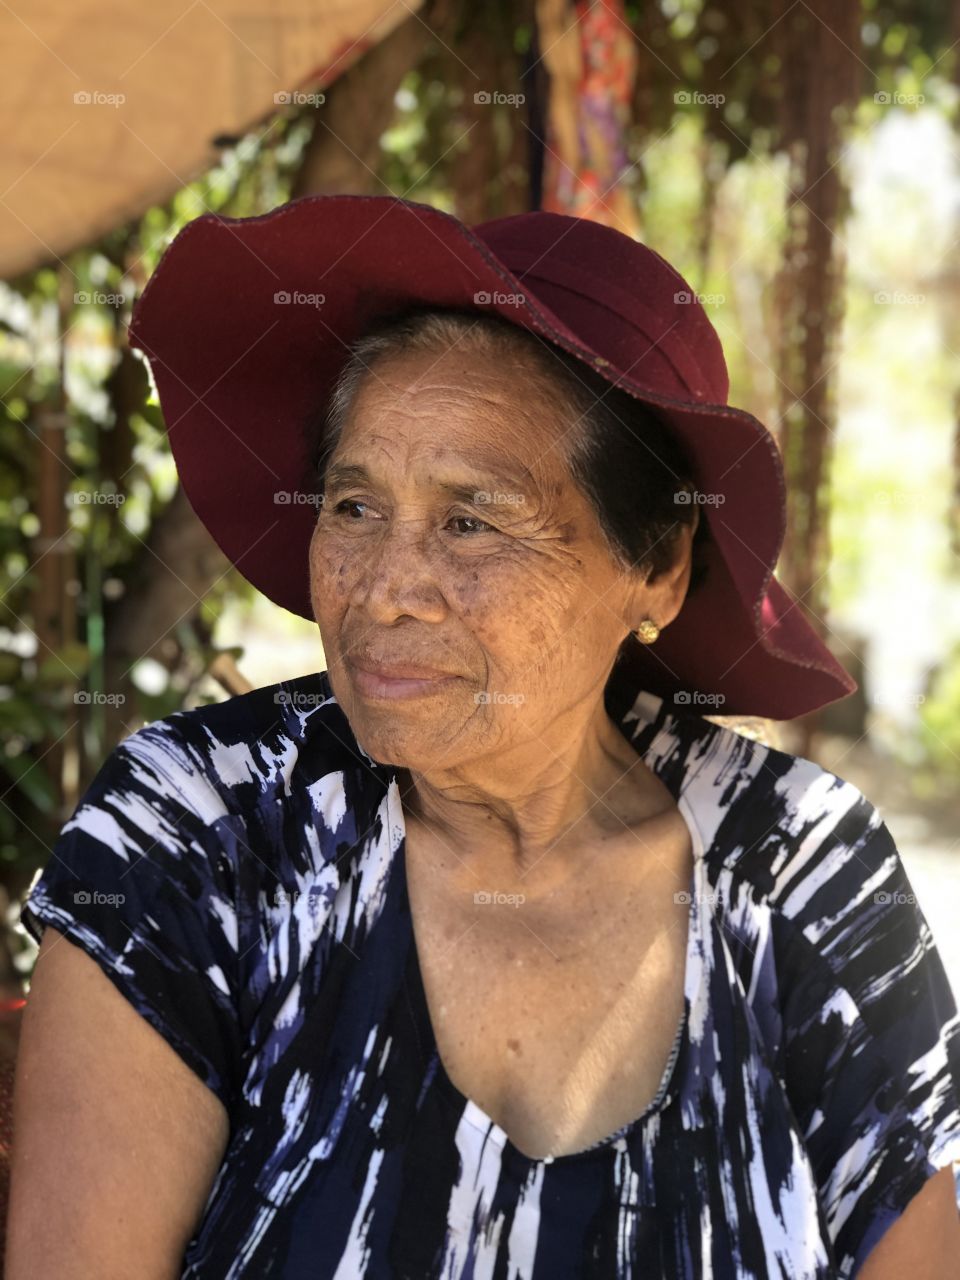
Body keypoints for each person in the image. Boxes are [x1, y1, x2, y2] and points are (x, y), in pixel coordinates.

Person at [7, 194, 960, 1279]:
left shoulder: (802, 870)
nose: (385, 590)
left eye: (471, 519)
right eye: (354, 505)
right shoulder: (194, 836)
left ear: (655, 566)